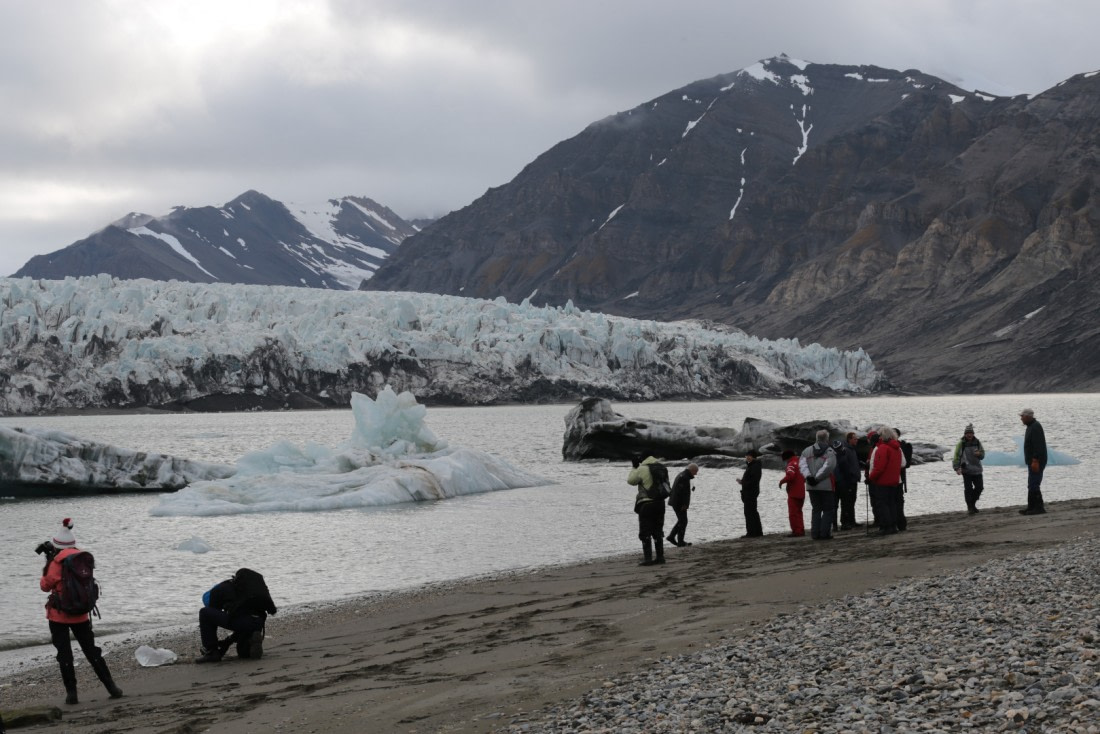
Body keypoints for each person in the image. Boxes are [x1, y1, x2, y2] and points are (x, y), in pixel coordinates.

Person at [38, 518, 123, 704]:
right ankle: (111, 687)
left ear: (56, 545)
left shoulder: (55, 563)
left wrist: (48, 561)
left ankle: (72, 694)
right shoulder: (82, 559)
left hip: (58, 616)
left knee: (64, 654)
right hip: (81, 615)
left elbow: (44, 586)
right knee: (92, 651)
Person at [195, 568, 278, 663]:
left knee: (205, 613)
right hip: (258, 622)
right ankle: (251, 639)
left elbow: (213, 620)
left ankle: (211, 652)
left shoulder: (216, 592)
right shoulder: (246, 588)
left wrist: (214, 645)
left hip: (243, 621)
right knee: (243, 654)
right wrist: (227, 642)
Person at [628, 456, 669, 565]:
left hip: (646, 503)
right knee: (658, 530)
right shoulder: (662, 467)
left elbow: (631, 481)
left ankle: (648, 559)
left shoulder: (642, 468)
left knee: (645, 532)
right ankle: (660, 557)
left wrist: (634, 467)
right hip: (660, 503)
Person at [800, 430, 837, 540]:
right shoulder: (830, 451)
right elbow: (829, 467)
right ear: (827, 439)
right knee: (828, 510)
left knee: (816, 509)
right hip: (826, 486)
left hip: (811, 486)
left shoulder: (806, 451)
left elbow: (802, 465)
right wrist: (817, 478)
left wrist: (809, 477)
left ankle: (815, 533)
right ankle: (824, 533)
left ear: (816, 438)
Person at [868, 427, 903, 535]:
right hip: (894, 480)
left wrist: (871, 478)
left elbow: (879, 467)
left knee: (882, 504)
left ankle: (886, 527)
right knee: (892, 503)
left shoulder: (883, 448)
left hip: (883, 481)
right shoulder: (897, 448)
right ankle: (893, 526)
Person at [952, 423, 986, 514]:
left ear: (973, 434)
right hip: (966, 470)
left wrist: (980, 454)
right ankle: (970, 507)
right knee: (968, 489)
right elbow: (956, 456)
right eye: (967, 433)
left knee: (980, 487)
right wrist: (956, 468)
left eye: (971, 433)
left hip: (977, 469)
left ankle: (972, 504)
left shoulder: (977, 442)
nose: (969, 435)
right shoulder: (961, 444)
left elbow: (983, 454)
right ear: (965, 434)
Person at [1019, 408, 1048, 515]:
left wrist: (1035, 460)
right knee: (1031, 484)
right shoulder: (1031, 426)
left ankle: (1039, 508)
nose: (1021, 418)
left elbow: (1038, 445)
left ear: (1027, 416)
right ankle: (1031, 507)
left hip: (1037, 461)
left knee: (1034, 484)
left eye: (1022, 416)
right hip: (1032, 460)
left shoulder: (1035, 427)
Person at [833, 433, 862, 530]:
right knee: (847, 502)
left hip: (853, 479)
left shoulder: (852, 449)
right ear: (849, 439)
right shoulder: (846, 450)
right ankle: (845, 522)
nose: (856, 440)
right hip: (848, 480)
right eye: (854, 439)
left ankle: (851, 520)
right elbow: (845, 466)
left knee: (852, 501)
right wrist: (850, 476)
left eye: (857, 439)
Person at [667, 463, 699, 547]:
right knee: (683, 521)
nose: (696, 473)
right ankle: (679, 541)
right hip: (678, 503)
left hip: (675, 501)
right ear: (691, 470)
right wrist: (684, 504)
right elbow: (682, 493)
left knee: (682, 520)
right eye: (696, 471)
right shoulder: (684, 477)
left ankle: (672, 537)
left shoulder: (683, 475)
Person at [778, 449, 806, 537]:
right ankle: (801, 529)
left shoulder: (791, 464)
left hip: (793, 492)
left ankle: (796, 531)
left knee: (793, 513)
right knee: (799, 512)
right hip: (801, 491)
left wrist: (781, 481)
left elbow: (790, 475)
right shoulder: (800, 463)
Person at [736, 452, 763, 538]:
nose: (747, 457)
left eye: (749, 456)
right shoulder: (753, 465)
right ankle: (757, 532)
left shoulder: (754, 466)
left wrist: (743, 482)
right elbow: (752, 480)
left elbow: (753, 481)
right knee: (753, 512)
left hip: (750, 492)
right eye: (746, 456)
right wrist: (743, 482)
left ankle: (751, 532)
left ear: (753, 457)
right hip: (750, 492)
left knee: (749, 512)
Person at [895, 428, 913, 531]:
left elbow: (904, 464)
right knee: (898, 500)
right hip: (899, 476)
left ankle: (900, 523)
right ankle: (901, 523)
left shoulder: (901, 446)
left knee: (898, 500)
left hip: (898, 477)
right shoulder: (901, 445)